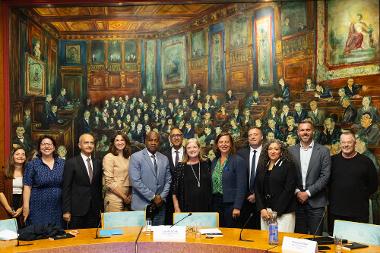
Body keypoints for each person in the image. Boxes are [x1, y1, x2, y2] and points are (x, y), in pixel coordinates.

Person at [328, 131, 378, 233]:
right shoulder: (332, 161)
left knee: (358, 244)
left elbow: (373, 185)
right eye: (343, 142)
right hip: (336, 212)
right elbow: (326, 183)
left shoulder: (366, 162)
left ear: (355, 143)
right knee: (336, 245)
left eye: (349, 142)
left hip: (358, 212)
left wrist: (359, 195)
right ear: (340, 143)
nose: (346, 145)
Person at [288, 120, 331, 235]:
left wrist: (307, 193)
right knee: (298, 239)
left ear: (313, 132)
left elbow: (325, 176)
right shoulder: (290, 151)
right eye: (302, 130)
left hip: (316, 203)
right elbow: (288, 176)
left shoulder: (323, 151)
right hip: (296, 203)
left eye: (308, 130)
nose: (305, 132)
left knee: (316, 239)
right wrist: (297, 192)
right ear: (298, 133)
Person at [129, 131, 171, 225]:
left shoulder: (164, 158)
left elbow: (168, 180)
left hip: (160, 206)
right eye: (150, 140)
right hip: (141, 207)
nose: (153, 143)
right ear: (145, 141)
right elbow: (135, 181)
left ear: (159, 142)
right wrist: (153, 197)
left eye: (155, 140)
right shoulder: (136, 157)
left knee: (158, 237)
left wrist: (161, 197)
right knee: (141, 238)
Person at [255, 139, 297, 232]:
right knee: (265, 242)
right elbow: (257, 189)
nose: (273, 151)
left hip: (284, 213)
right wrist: (262, 209)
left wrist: (276, 211)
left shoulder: (288, 166)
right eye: (270, 149)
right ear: (267, 151)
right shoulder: (262, 166)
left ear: (281, 152)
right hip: (266, 212)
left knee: (281, 242)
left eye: (276, 149)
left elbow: (289, 190)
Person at [62, 133, 103, 229]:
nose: (89, 145)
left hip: (94, 210)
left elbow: (98, 187)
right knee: (77, 241)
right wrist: (66, 210)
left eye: (92, 143)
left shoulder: (98, 163)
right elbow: (66, 188)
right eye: (86, 143)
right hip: (77, 210)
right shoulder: (71, 163)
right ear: (79, 145)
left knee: (92, 240)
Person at [23, 135, 65, 227]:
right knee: (39, 234)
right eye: (43, 144)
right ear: (39, 147)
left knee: (57, 235)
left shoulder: (62, 163)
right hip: (37, 206)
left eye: (49, 144)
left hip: (58, 206)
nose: (46, 146)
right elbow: (27, 186)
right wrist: (26, 206)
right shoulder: (32, 164)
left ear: (54, 147)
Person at [211, 132, 246, 228]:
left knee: (230, 233)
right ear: (217, 145)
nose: (224, 144)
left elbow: (242, 186)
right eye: (221, 142)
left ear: (231, 144)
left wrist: (237, 207)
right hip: (216, 203)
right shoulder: (215, 161)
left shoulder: (238, 160)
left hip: (231, 204)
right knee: (218, 231)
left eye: (227, 142)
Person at [172, 138, 212, 212]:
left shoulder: (207, 164)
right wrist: (176, 207)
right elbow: (174, 190)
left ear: (199, 149)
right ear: (186, 151)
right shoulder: (180, 167)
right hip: (186, 208)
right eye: (189, 148)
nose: (192, 150)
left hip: (206, 207)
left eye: (194, 147)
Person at [237, 127, 264, 229]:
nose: (252, 137)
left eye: (255, 134)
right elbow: (239, 177)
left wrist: (257, 194)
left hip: (263, 200)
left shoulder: (268, 153)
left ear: (261, 137)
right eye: (250, 135)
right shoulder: (240, 153)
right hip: (245, 200)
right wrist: (248, 194)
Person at [103, 132, 132, 212]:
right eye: (117, 140)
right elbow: (109, 182)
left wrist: (130, 195)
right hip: (114, 199)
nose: (120, 142)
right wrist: (124, 197)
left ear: (126, 142)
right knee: (115, 224)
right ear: (113, 143)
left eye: (122, 140)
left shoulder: (129, 158)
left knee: (127, 224)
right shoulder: (109, 157)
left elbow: (130, 178)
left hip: (127, 199)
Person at [163, 127, 184, 224]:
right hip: (168, 200)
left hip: (186, 198)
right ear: (170, 138)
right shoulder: (163, 155)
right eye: (173, 136)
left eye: (178, 135)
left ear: (182, 137)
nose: (176, 138)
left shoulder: (190, 153)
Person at [0, 148, 26, 226]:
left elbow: (31, 191)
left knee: (22, 231)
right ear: (12, 157)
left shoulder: (28, 172)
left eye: (23, 154)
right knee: (7, 231)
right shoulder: (4, 172)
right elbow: (0, 192)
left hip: (22, 203)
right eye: (17, 154)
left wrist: (22, 208)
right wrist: (8, 208)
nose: (20, 156)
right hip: (6, 203)